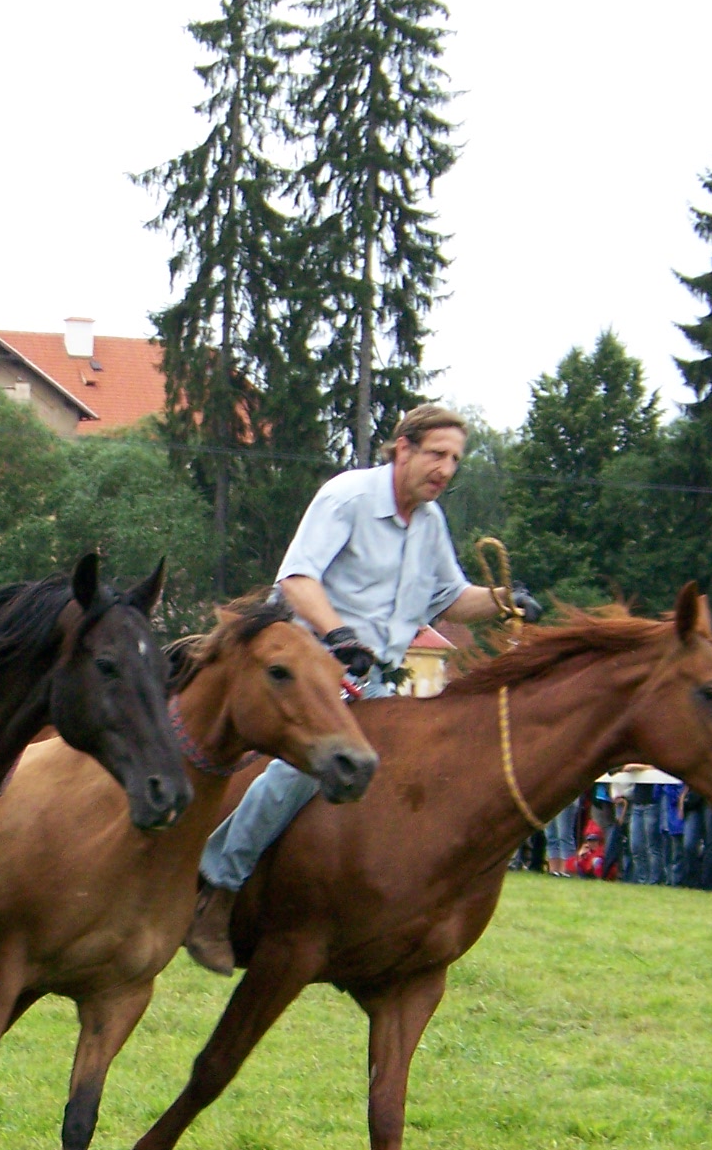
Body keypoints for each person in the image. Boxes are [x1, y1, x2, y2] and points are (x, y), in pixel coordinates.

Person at [185, 404, 538, 969]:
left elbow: (451, 600)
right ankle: (215, 888)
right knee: (301, 772)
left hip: (376, 683)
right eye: (436, 454)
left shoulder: (430, 524)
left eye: (455, 460)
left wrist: (503, 600)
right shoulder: (347, 497)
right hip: (311, 668)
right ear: (403, 448)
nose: (446, 469)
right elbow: (297, 579)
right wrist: (339, 633)